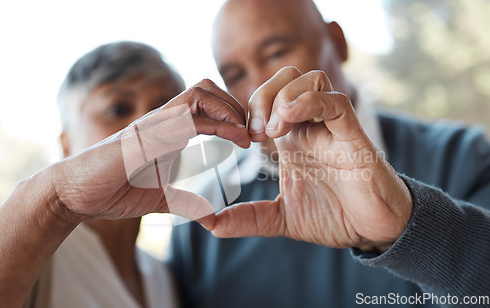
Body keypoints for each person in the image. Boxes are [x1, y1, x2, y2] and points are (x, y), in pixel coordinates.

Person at [169, 0, 490, 307]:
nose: (257, 88)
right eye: (235, 76)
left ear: (337, 42)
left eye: (277, 51)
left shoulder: (464, 157)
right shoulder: (203, 218)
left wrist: (412, 231)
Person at [0, 41, 250, 307]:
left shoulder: (166, 275)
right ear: (66, 144)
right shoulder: (19, 243)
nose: (149, 126)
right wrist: (58, 199)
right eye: (118, 109)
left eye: (169, 111)